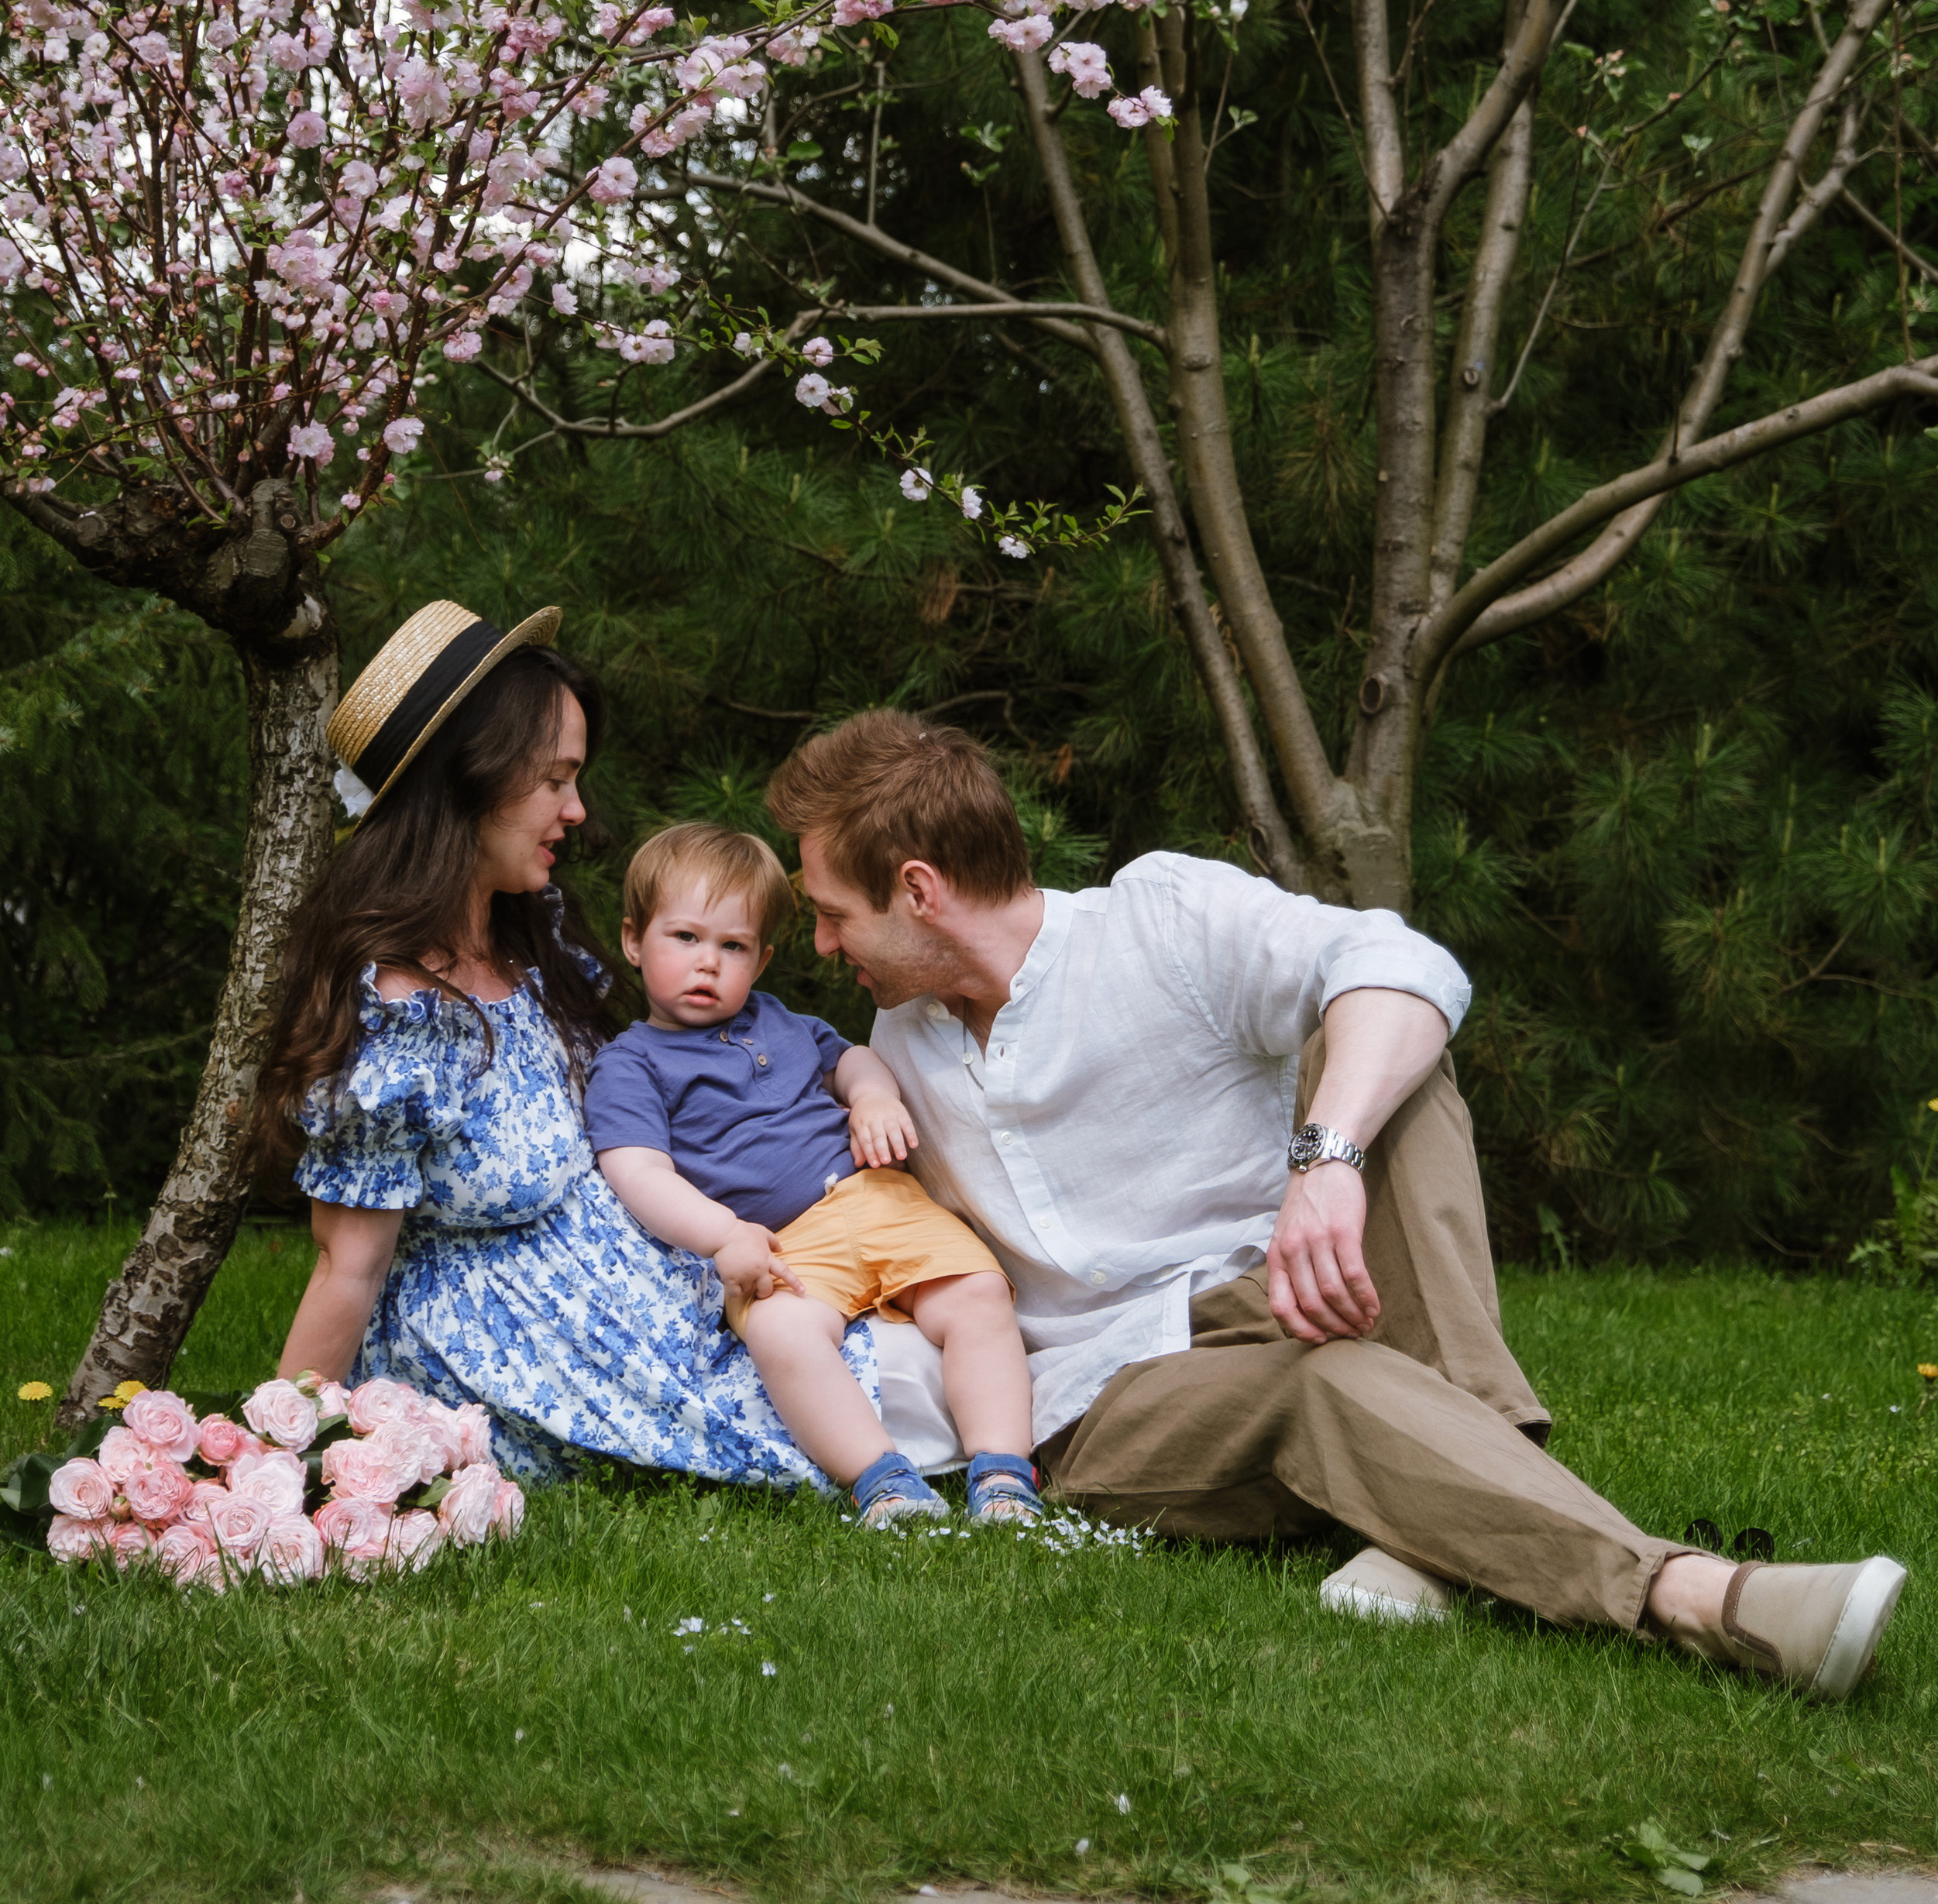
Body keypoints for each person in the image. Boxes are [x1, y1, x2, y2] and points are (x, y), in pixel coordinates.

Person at [765, 709, 1910, 1699]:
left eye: (831, 914)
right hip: (1113, 1393)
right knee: (1327, 1380)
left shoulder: (1157, 917)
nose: (819, 945)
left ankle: (1438, 1517)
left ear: (918, 890)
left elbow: (1407, 967)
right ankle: (1701, 1598)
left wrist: (1327, 1162)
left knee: (1388, 1057)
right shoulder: (894, 1051)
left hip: (1295, 1285)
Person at [255, 600, 876, 1486]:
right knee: (836, 1414)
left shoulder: (527, 941)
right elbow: (347, 1265)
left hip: (639, 1289)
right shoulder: (403, 1014)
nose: (576, 810)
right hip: (516, 1345)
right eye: (554, 779)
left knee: (887, 1340)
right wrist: (275, 1462)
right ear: (470, 778)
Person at [586, 822, 1041, 1528]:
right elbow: (637, 1170)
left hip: (878, 1195)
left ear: (761, 961)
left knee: (977, 1295)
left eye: (732, 946)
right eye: (685, 938)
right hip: (781, 1241)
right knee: (779, 1331)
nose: (708, 963)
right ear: (632, 941)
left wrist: (873, 1096)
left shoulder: (782, 1021)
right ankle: (881, 1480)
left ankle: (1005, 1473)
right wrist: (723, 1235)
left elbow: (849, 1058)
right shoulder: (632, 1062)